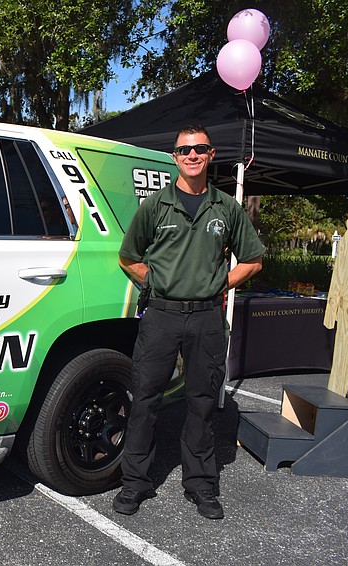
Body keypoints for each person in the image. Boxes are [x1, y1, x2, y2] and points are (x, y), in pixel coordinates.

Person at [114, 124, 265, 520]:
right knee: (145, 400)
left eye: (200, 149)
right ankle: (135, 483)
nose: (192, 156)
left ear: (211, 155)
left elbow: (252, 260)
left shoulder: (227, 208)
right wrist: (160, 283)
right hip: (161, 316)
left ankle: (200, 484)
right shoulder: (155, 206)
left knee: (201, 403)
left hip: (206, 318)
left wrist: (220, 285)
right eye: (185, 151)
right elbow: (128, 257)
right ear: (174, 157)